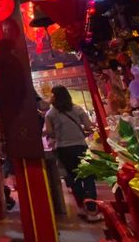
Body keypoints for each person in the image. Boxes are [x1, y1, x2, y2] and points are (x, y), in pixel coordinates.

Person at [44, 85, 103, 222]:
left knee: (73, 177)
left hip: (63, 149)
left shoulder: (50, 114)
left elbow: (50, 132)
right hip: (79, 146)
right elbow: (89, 127)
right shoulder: (77, 109)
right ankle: (92, 210)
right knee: (87, 176)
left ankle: (82, 208)